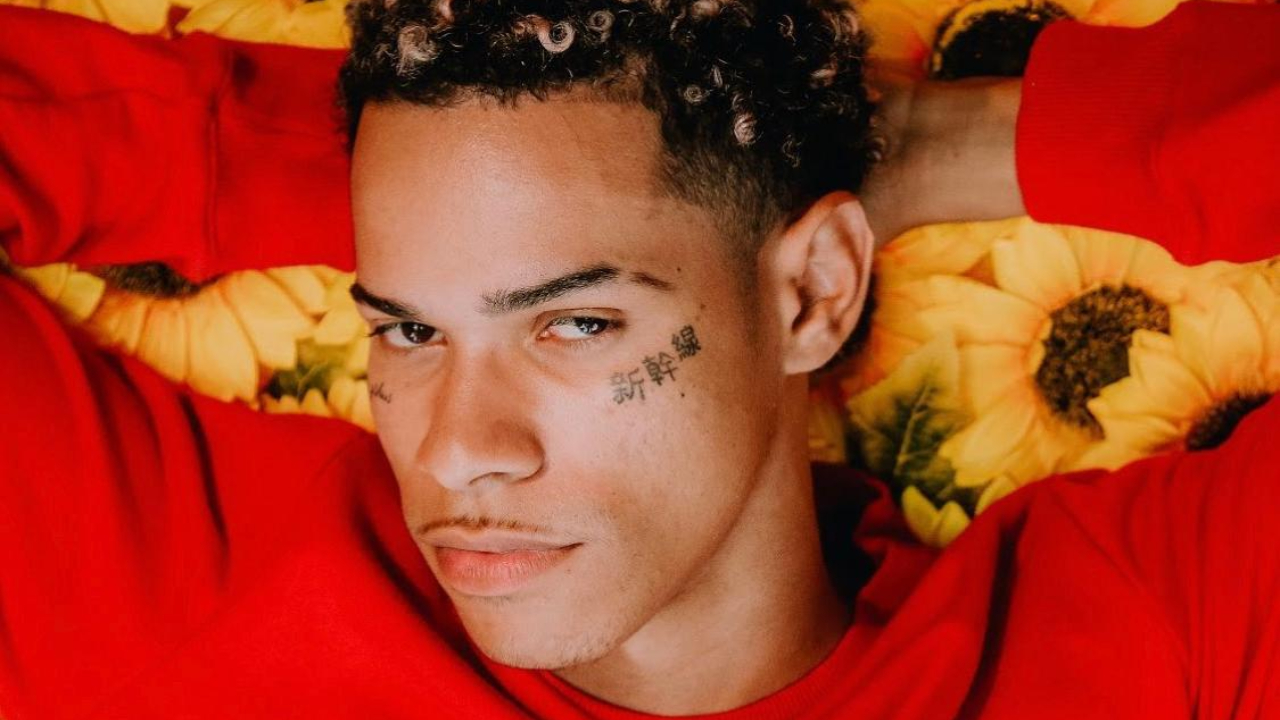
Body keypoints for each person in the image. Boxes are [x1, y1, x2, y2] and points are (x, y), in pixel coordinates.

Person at [0, 0, 1275, 718]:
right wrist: (428, 187)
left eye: (574, 323)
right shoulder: (189, 587)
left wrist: (943, 145)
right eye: (409, 329)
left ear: (814, 293)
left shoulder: (1149, 631)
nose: (458, 450)